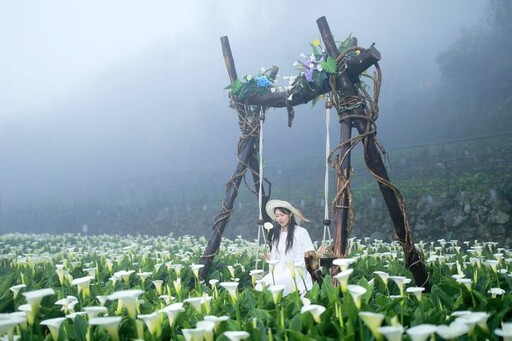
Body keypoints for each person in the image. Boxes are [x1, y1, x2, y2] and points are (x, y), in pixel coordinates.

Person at [255, 199, 321, 296]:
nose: (280, 218)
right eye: (277, 216)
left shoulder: (301, 232)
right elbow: (276, 258)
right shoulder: (275, 235)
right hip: (278, 270)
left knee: (275, 286)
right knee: (260, 287)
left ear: (290, 214)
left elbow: (308, 255)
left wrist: (317, 254)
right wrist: (270, 258)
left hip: (296, 271)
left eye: (282, 215)